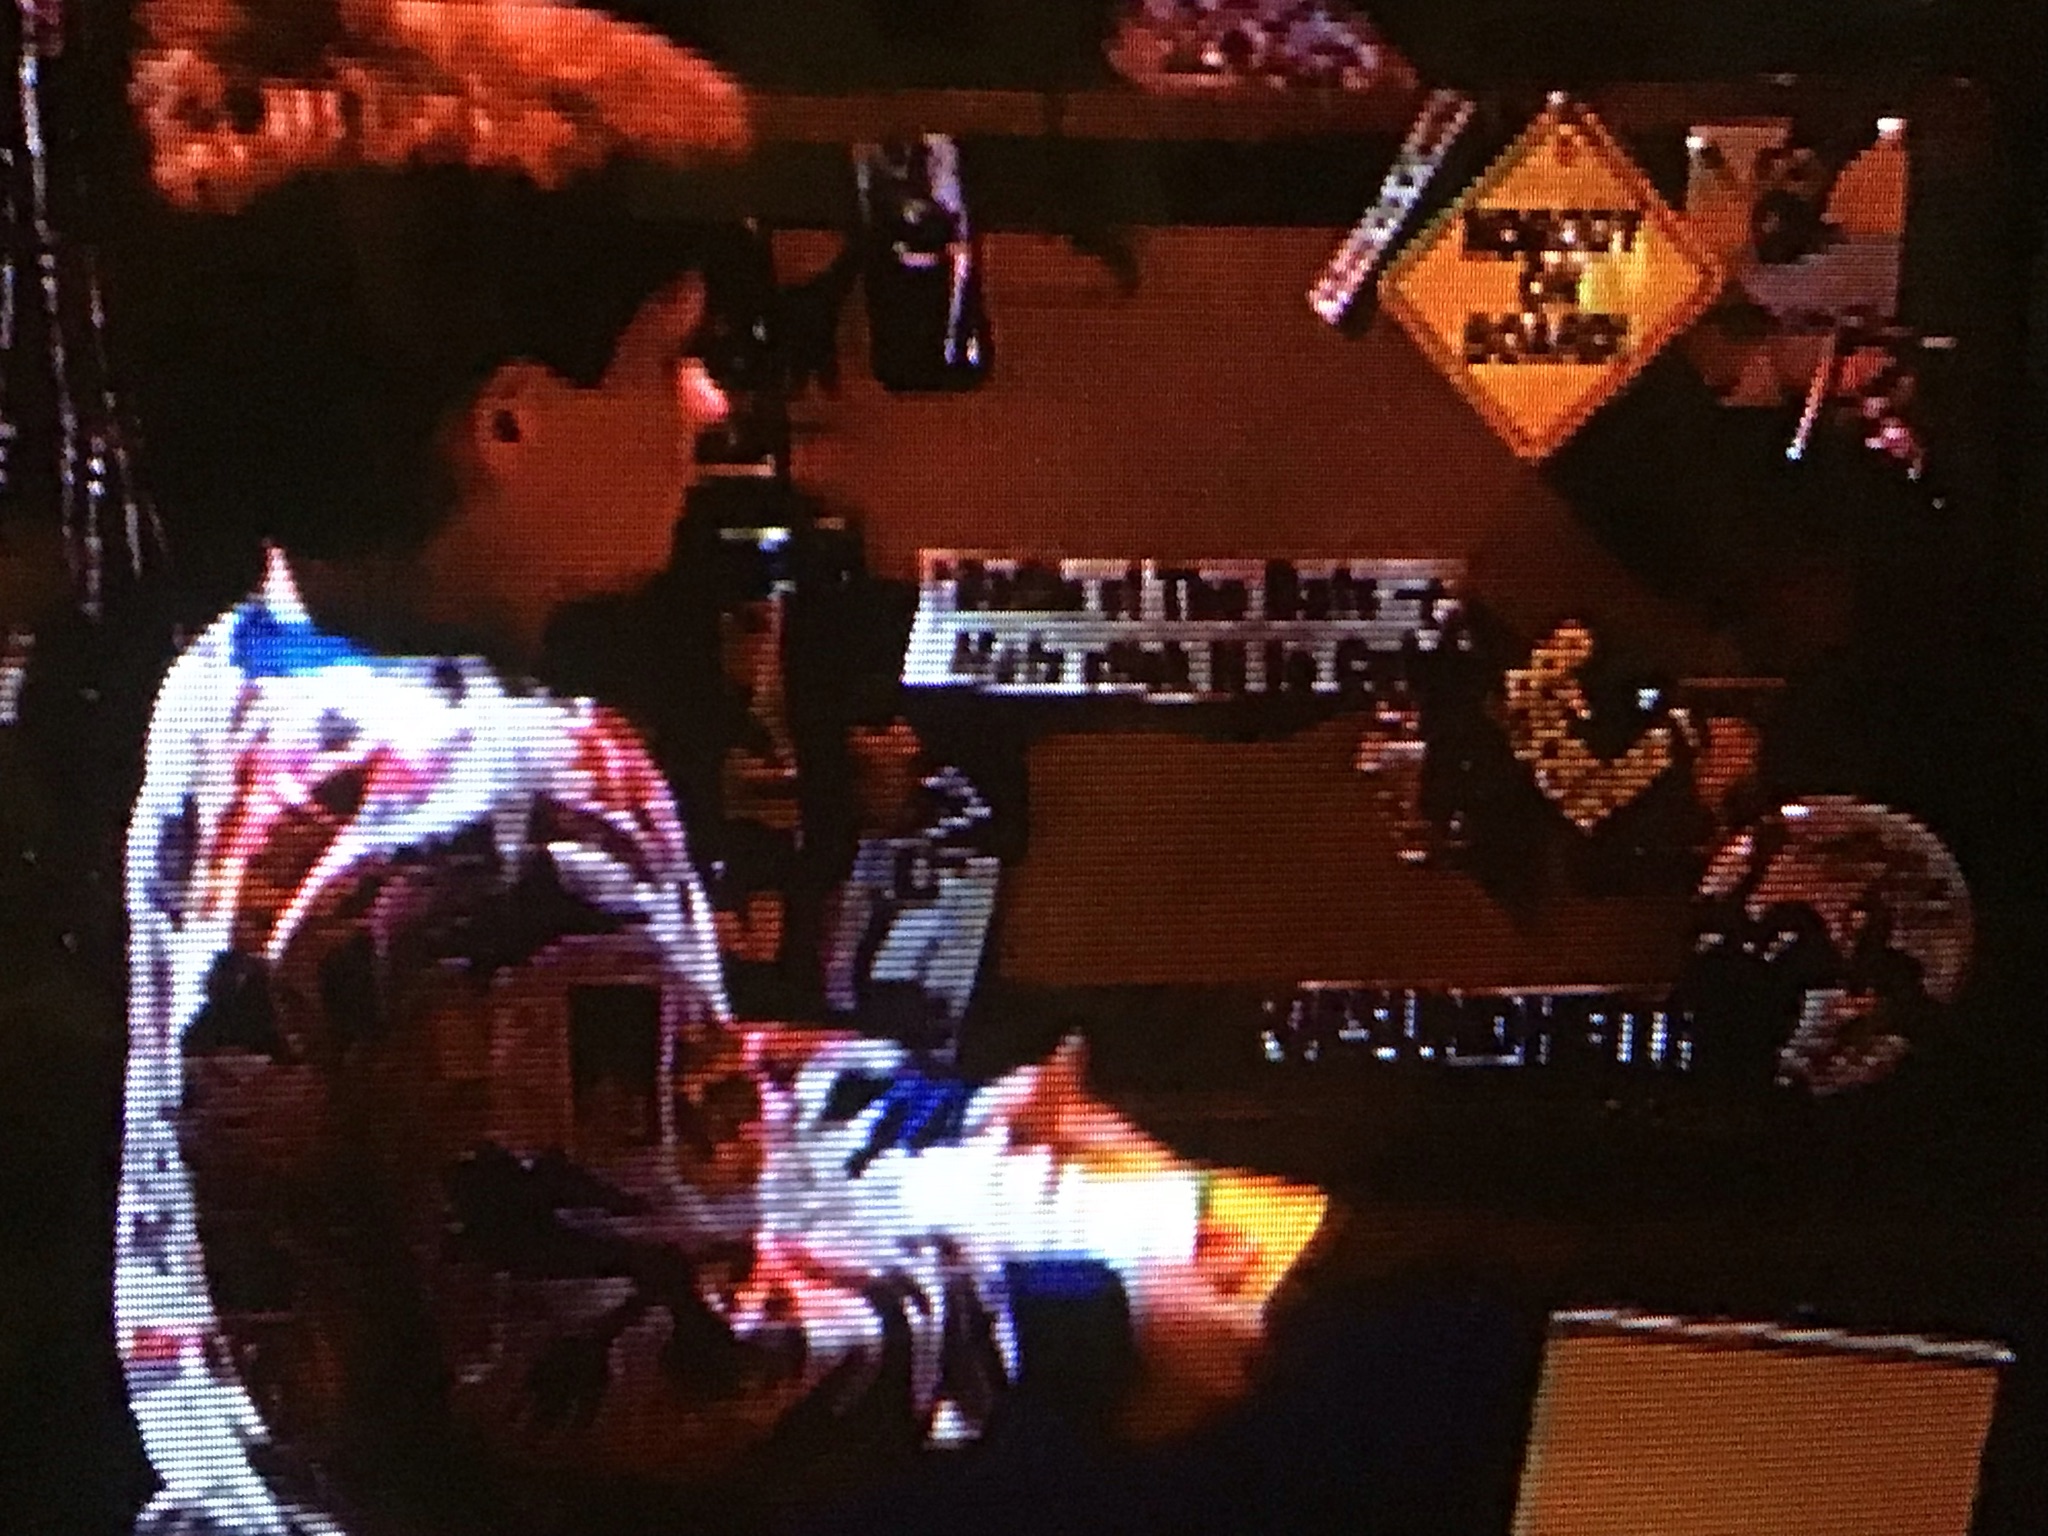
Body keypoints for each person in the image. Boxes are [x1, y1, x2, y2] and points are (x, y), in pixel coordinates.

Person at [101, 5, 1332, 1532]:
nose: (711, 404)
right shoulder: (509, 798)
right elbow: (629, 1388)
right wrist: (1072, 1325)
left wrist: (927, 1126)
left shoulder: (238, 682)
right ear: (508, 423)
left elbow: (534, 1115)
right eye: (671, 354)